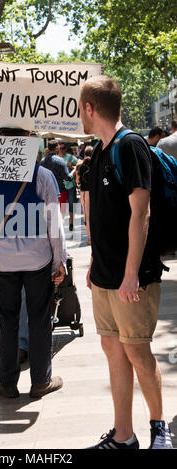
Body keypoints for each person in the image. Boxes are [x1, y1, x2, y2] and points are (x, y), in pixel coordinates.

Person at [78, 75, 173, 449]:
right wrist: (92, 263)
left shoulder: (129, 145)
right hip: (104, 276)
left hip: (131, 278)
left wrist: (131, 272)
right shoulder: (100, 150)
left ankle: (159, 428)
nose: (79, 115)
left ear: (89, 108)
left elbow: (141, 213)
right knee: (114, 351)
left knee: (138, 351)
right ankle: (123, 436)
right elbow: (103, 217)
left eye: (80, 108)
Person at [0, 127, 67, 399]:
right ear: (28, 141)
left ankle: (7, 383)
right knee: (40, 320)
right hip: (38, 260)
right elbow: (54, 224)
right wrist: (60, 260)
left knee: (7, 321)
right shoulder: (43, 176)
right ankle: (40, 381)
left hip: (3, 262)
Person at [41, 140, 75, 217]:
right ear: (57, 148)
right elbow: (68, 178)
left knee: (49, 216)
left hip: (47, 192)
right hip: (60, 192)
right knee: (61, 215)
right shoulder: (60, 161)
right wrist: (73, 171)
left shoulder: (43, 161)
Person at [58, 142, 78, 231]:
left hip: (70, 185)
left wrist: (72, 166)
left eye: (63, 148)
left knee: (71, 204)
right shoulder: (56, 158)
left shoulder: (70, 157)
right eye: (60, 148)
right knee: (61, 206)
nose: (61, 150)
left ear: (66, 149)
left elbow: (79, 166)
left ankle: (71, 223)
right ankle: (61, 223)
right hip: (60, 185)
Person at [77, 156, 92, 245]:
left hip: (85, 192)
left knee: (86, 215)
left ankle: (90, 237)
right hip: (95, 192)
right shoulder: (96, 165)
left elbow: (77, 181)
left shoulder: (80, 166)